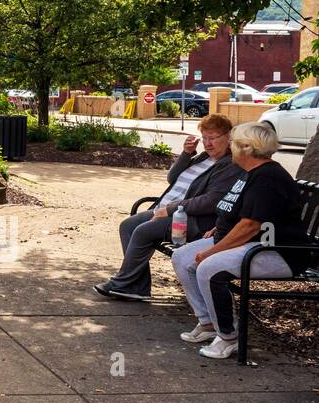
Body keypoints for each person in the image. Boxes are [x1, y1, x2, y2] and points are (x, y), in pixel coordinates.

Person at [171, 121, 311, 359]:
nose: (231, 147)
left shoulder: (268, 178)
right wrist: (218, 227)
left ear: (247, 148)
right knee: (181, 256)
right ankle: (207, 323)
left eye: (234, 143)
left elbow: (250, 226)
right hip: (249, 243)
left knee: (209, 268)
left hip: (276, 250)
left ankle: (228, 337)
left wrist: (210, 253)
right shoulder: (249, 172)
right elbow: (237, 210)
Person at [94, 114, 241, 300]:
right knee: (128, 225)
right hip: (169, 211)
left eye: (212, 138)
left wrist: (170, 209)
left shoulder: (229, 164)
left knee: (143, 231)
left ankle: (125, 284)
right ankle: (136, 286)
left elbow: (211, 201)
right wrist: (186, 154)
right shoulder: (204, 157)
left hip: (194, 221)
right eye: (204, 137)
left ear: (228, 137)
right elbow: (173, 179)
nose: (207, 143)